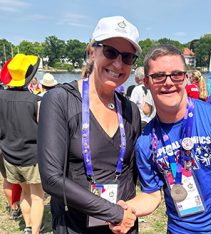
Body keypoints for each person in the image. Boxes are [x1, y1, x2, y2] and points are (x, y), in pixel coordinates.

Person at [112, 44, 211, 234]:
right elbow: (151, 195)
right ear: (146, 82)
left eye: (176, 74)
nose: (168, 82)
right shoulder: (145, 141)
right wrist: (124, 210)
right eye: (159, 76)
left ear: (185, 78)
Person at [37, 16, 141, 233]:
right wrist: (113, 212)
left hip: (121, 227)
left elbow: (131, 174)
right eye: (111, 52)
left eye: (127, 57)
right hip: (76, 226)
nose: (118, 64)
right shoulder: (60, 100)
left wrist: (125, 215)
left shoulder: (131, 109)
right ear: (92, 51)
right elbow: (51, 179)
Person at [0, 54, 45, 234]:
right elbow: (43, 130)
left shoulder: (0, 96)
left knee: (25, 192)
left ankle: (27, 226)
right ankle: (35, 231)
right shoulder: (35, 101)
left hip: (10, 154)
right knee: (37, 196)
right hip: (31, 156)